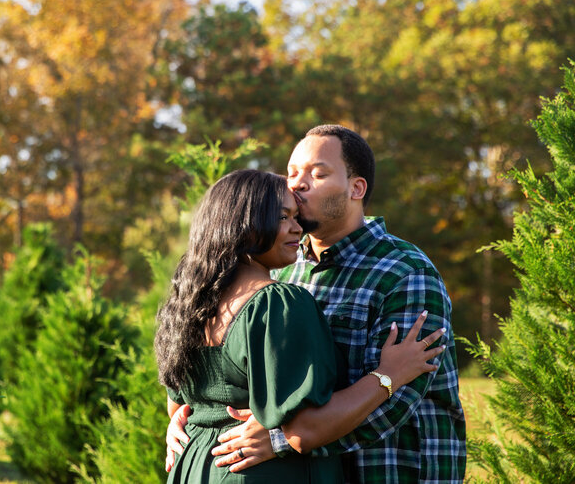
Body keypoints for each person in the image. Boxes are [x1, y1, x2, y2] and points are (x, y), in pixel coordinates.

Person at [169, 125, 467, 483]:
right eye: (292, 173)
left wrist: (282, 438)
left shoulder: (405, 272)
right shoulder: (282, 269)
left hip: (389, 469)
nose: (298, 184)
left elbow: (396, 400)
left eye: (318, 173)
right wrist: (188, 417)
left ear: (357, 188)